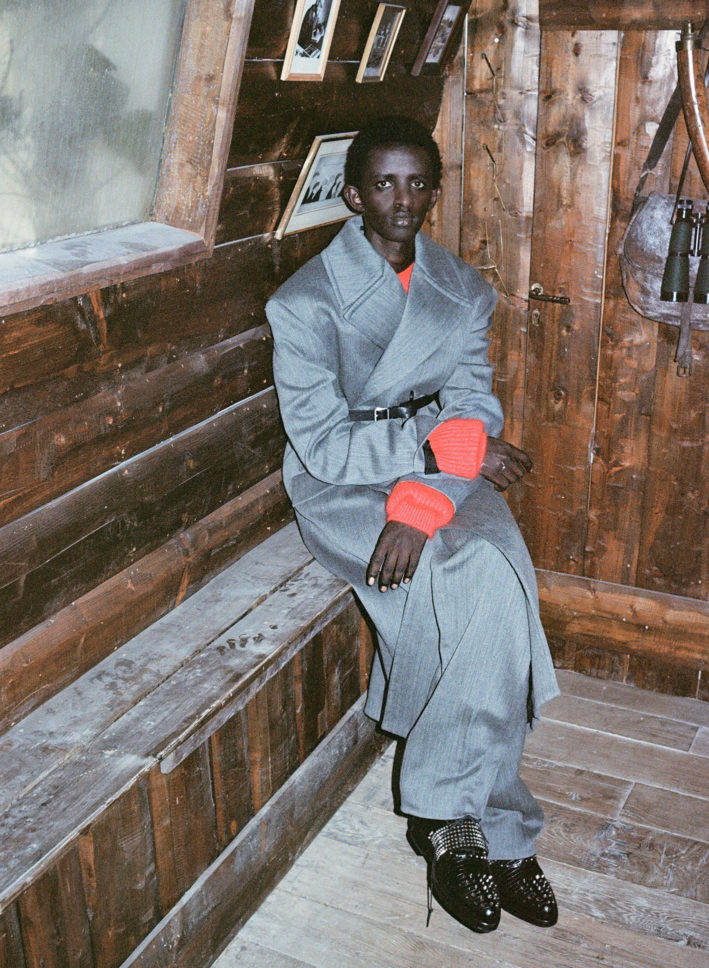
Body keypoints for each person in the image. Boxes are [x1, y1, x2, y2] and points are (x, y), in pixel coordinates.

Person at [266, 116, 560, 934]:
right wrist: (439, 447)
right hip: (343, 483)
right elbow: (324, 444)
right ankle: (489, 824)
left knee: (499, 575)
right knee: (463, 577)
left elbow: (473, 405)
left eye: (418, 182)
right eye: (384, 183)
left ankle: (451, 818)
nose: (403, 200)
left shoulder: (461, 288)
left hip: (443, 473)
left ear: (434, 190)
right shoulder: (304, 303)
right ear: (353, 195)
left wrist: (427, 499)